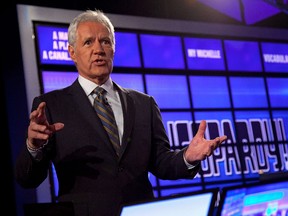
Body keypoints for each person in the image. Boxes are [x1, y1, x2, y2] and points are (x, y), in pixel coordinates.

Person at [15, 9, 227, 216]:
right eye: (88, 42)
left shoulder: (144, 103)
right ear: (72, 52)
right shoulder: (50, 105)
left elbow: (161, 163)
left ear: (113, 48)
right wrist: (34, 147)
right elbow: (27, 179)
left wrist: (187, 157)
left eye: (105, 41)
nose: (98, 49)